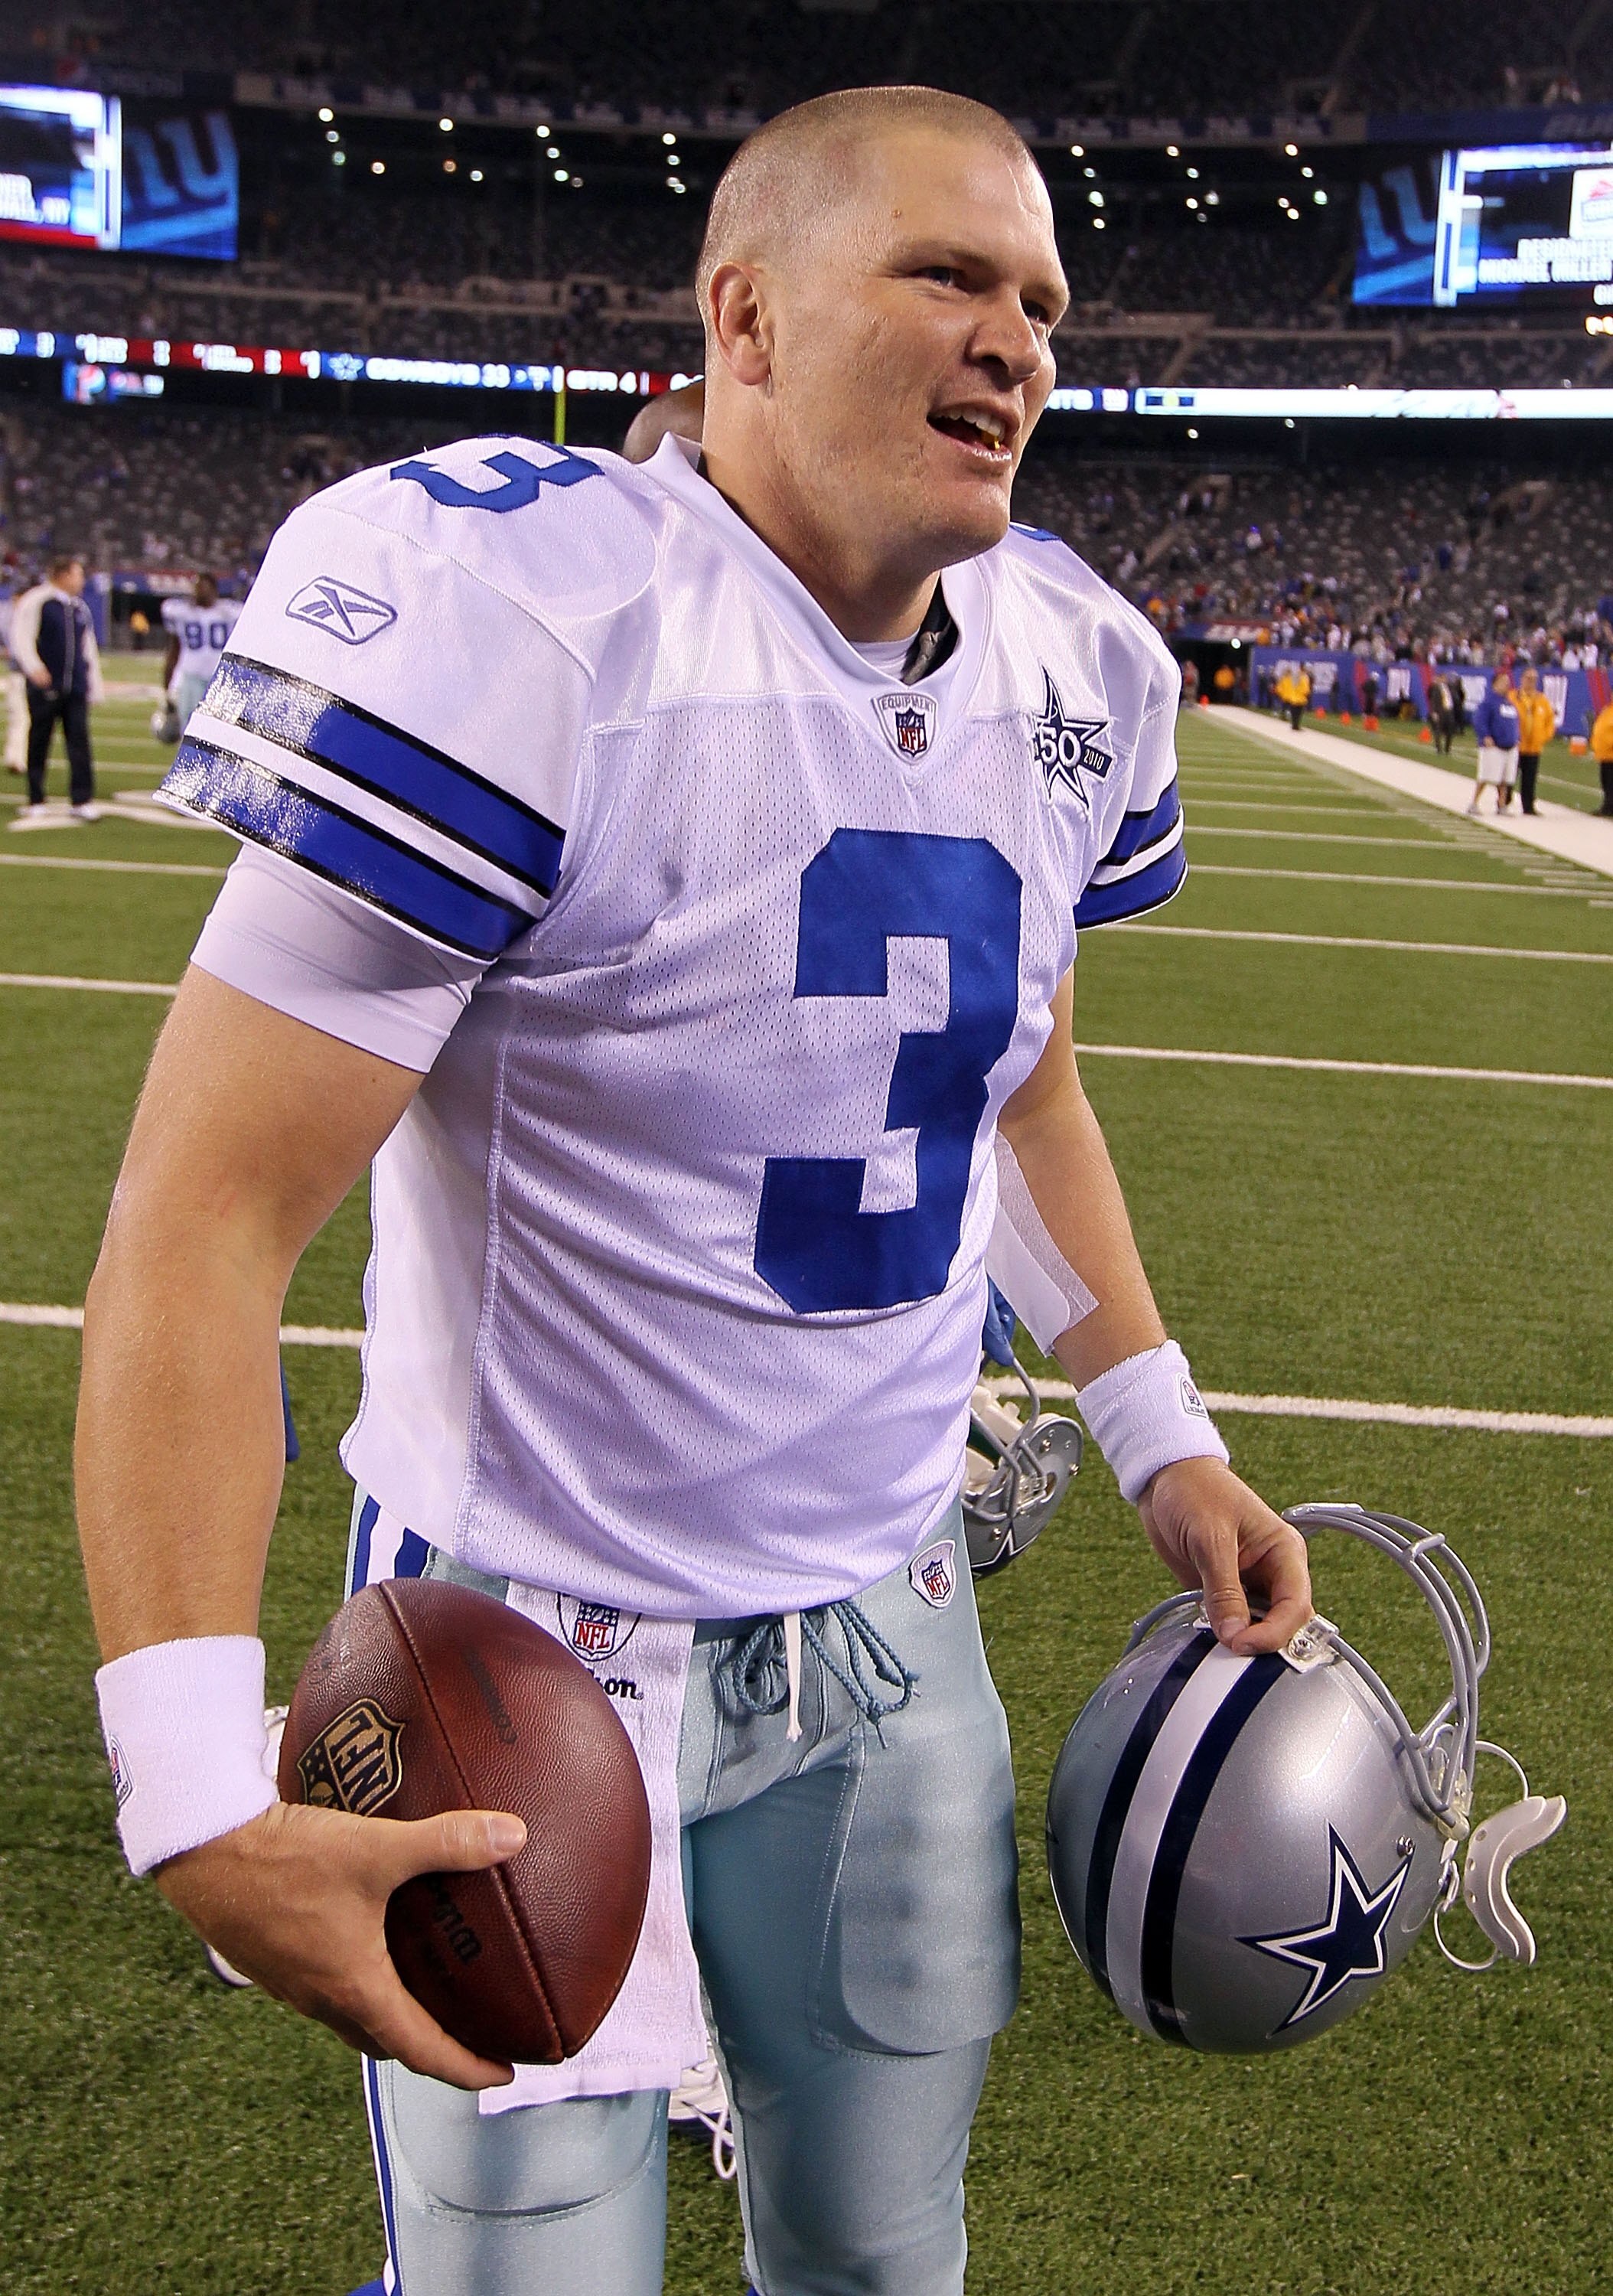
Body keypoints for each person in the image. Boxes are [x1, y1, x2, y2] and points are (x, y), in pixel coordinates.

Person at [76, 87, 1312, 2296]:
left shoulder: (1076, 669)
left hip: (884, 1615)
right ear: (737, 316)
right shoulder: (527, 622)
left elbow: (1017, 1083)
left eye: (1039, 298)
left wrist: (1160, 1429)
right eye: (944, 275)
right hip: (513, 1643)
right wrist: (186, 1775)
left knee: (878, 2258)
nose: (1014, 339)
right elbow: (203, 1212)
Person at [9, 553, 103, 823]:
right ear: (63, 576)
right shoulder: (38, 600)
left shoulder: (79, 607)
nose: (82, 580)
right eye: (78, 574)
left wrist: (93, 686)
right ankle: (36, 798)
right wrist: (33, 666)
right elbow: (21, 635)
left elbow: (88, 649)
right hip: (45, 686)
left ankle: (82, 799)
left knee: (79, 743)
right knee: (39, 741)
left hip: (74, 688)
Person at [161, 573, 243, 735]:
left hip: (222, 680)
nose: (199, 592)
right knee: (189, 730)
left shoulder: (230, 612)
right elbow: (174, 649)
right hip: (192, 678)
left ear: (215, 591)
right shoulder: (180, 612)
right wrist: (167, 684)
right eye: (197, 588)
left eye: (203, 588)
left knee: (222, 732)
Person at [1468, 668, 1520, 815]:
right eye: (1503, 682)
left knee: (1505, 778)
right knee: (1485, 775)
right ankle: (1474, 803)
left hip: (1509, 746)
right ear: (1495, 684)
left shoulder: (1509, 703)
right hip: (1494, 746)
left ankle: (1502, 805)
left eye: (1508, 683)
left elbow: (1515, 723)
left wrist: (1517, 738)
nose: (1507, 685)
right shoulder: (1488, 702)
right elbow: (1479, 720)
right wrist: (1485, 736)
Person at [1512, 665, 1553, 817]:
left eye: (1534, 679)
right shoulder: (1514, 697)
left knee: (1530, 778)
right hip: (1516, 745)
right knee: (1510, 775)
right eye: (1529, 679)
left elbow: (1550, 721)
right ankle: (1504, 801)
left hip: (1534, 746)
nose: (1531, 682)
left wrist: (1544, 737)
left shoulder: (1542, 700)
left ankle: (1528, 806)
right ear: (1522, 679)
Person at [1592, 693, 1613, 815]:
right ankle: (1607, 806)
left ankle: (1609, 807)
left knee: (1610, 782)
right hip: (1604, 754)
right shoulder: (1607, 710)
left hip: (1611, 754)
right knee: (1606, 782)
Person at [1275, 659, 1311, 729]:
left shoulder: (1305, 677)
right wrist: (1303, 691)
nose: (1306, 669)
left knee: (1299, 713)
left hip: (1302, 698)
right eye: (1305, 667)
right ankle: (1295, 725)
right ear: (1302, 667)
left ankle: (1296, 725)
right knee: (1295, 712)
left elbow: (1306, 687)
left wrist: (1306, 692)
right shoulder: (1297, 676)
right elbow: (1295, 686)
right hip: (1296, 697)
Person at [1426, 671, 1455, 755]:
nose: (1445, 680)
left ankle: (1447, 749)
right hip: (1440, 711)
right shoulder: (1436, 688)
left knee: (1450, 731)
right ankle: (1439, 749)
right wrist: (1434, 712)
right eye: (1443, 678)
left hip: (1449, 711)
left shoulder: (1449, 688)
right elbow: (1433, 701)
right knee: (1438, 730)